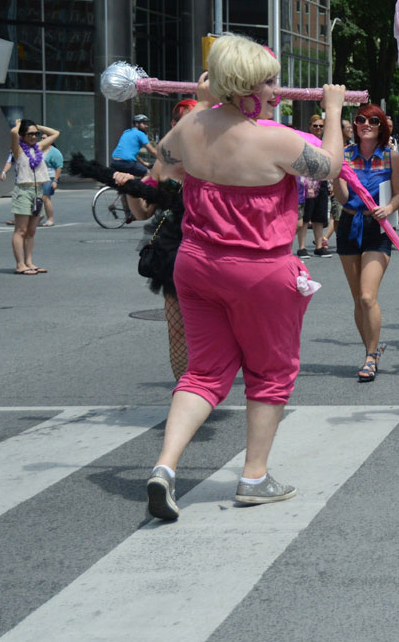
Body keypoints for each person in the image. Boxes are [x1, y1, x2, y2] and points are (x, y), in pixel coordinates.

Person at [144, 34, 346, 521]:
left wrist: (207, 110)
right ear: (244, 87)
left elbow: (159, 175)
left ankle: (166, 467)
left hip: (195, 264)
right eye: (269, 82)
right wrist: (334, 110)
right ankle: (254, 475)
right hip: (259, 270)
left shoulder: (189, 128)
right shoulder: (272, 138)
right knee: (271, 372)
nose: (277, 91)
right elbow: (331, 166)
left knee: (203, 372)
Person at [111, 96, 202, 379]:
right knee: (177, 328)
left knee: (214, 328)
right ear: (174, 127)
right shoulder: (163, 165)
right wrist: (130, 188)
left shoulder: (218, 157)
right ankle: (185, 389)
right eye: (181, 121)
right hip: (173, 249)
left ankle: (210, 380)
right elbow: (142, 213)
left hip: (214, 246)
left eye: (194, 120)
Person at [335, 103, 399, 382]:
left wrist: (388, 209)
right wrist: (335, 174)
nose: (366, 124)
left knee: (367, 296)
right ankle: (372, 352)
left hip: (377, 227)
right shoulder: (344, 155)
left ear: (381, 127)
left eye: (373, 120)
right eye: (361, 119)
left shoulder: (391, 155)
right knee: (357, 299)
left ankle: (369, 357)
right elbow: (341, 198)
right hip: (349, 224)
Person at [9, 119, 60, 275]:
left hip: (38, 191)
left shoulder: (38, 147)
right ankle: (20, 264)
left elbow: (56, 133)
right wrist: (19, 124)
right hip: (24, 190)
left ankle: (29, 262)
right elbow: (13, 132)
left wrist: (37, 126)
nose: (33, 137)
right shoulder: (18, 149)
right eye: (30, 134)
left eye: (36, 134)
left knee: (31, 231)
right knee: (21, 230)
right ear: (23, 135)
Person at [296, 114, 333, 257]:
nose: (318, 128)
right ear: (310, 127)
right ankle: (302, 247)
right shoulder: (303, 141)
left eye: (321, 126)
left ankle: (319, 246)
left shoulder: (325, 142)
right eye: (315, 126)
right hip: (306, 183)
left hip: (322, 182)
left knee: (320, 216)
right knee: (306, 217)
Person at [39, 143, 64, 226]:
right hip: (39, 177)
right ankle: (39, 216)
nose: (43, 140)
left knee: (45, 197)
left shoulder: (54, 151)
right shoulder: (39, 148)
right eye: (42, 138)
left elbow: (59, 167)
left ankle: (50, 219)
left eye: (44, 138)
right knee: (38, 197)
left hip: (49, 177)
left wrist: (55, 181)